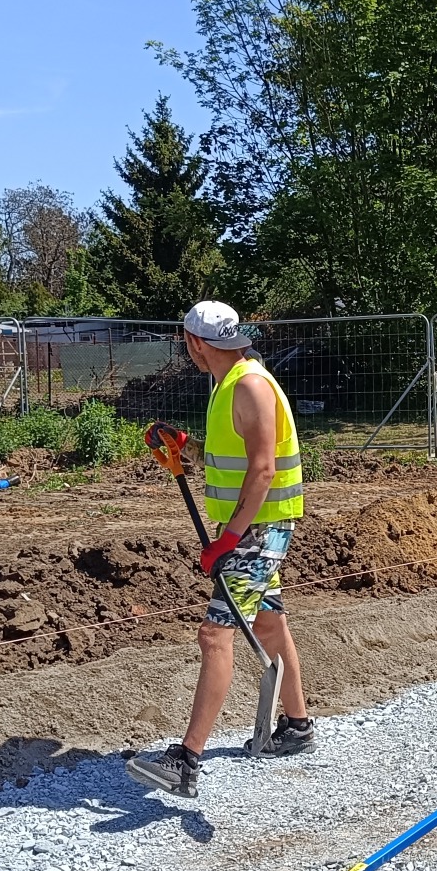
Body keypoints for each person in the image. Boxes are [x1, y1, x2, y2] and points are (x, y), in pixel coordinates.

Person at [127, 301, 316, 797]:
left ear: (194, 342)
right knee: (268, 621)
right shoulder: (229, 382)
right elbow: (231, 458)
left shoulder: (248, 384)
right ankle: (297, 727)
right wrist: (183, 447)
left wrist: (228, 540)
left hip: (258, 529)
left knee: (215, 635)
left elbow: (263, 470)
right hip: (253, 526)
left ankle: (186, 761)